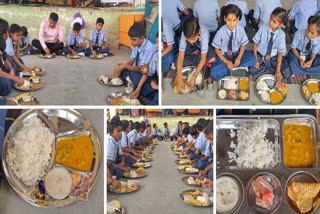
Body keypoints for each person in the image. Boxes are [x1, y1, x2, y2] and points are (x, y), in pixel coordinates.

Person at [211, 4, 255, 80]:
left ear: (238, 19)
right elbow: (216, 50)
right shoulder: (220, 32)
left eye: (234, 20)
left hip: (236, 53)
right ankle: (234, 67)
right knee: (214, 73)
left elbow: (243, 45)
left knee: (252, 59)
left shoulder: (241, 30)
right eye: (229, 20)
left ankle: (231, 67)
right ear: (225, 18)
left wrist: (239, 58)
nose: (231, 23)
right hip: (224, 55)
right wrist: (226, 62)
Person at [176, 19, 216, 93]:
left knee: (212, 58)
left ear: (199, 33)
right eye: (188, 39)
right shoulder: (185, 33)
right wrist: (179, 78)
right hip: (191, 48)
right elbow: (181, 56)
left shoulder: (204, 34)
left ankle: (194, 63)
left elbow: (203, 57)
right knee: (178, 58)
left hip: (202, 48)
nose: (191, 41)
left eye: (193, 39)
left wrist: (194, 77)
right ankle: (198, 63)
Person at [250, 7, 290, 81]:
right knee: (253, 67)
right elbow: (255, 44)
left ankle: (267, 72)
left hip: (273, 57)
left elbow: (280, 53)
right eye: (270, 19)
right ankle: (269, 73)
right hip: (260, 55)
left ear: (280, 24)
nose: (270, 22)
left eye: (274, 22)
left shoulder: (281, 35)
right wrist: (256, 60)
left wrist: (278, 69)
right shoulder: (263, 28)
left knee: (286, 71)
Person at [111, 23, 156, 87]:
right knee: (119, 67)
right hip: (137, 70)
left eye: (134, 40)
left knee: (136, 77)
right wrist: (120, 68)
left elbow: (141, 69)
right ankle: (128, 79)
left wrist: (124, 66)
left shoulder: (149, 49)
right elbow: (131, 61)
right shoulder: (136, 45)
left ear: (142, 38)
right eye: (131, 39)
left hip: (145, 74)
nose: (131, 42)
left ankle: (129, 80)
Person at [130, 33, 159, 105]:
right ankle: (143, 95)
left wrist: (158, 87)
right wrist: (138, 89)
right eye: (157, 42)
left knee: (157, 99)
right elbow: (146, 73)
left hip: (158, 86)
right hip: (154, 82)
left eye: (160, 43)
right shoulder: (156, 55)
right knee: (137, 78)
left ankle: (150, 99)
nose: (157, 46)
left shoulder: (150, 49)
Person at [0, 18, 24, 97]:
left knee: (17, 63)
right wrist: (13, 77)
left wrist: (11, 70)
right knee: (6, 84)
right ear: (3, 34)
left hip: (4, 66)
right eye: (7, 32)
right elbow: (12, 57)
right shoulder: (6, 41)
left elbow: (4, 57)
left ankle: (12, 78)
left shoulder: (2, 42)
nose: (8, 34)